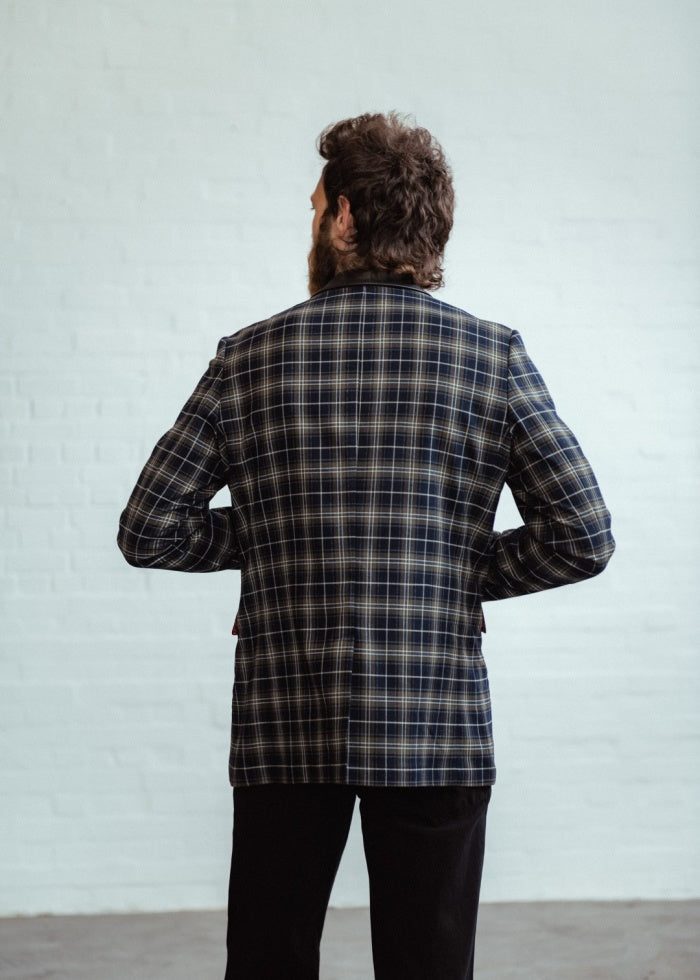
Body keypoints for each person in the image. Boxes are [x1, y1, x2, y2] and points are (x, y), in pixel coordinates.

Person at [118, 112, 614, 980]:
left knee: (268, 961)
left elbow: (149, 528)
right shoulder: (490, 356)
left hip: (284, 719)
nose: (311, 224)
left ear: (345, 217)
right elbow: (582, 535)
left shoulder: (248, 357)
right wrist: (449, 570)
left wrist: (278, 537)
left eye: (316, 208)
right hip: (435, 720)